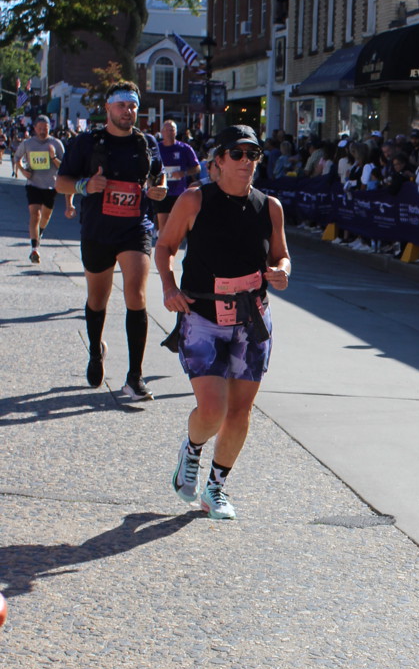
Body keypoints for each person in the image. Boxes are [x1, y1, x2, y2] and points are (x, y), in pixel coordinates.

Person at [155, 125, 290, 520]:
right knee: (212, 410)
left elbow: (282, 255)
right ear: (218, 161)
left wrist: (282, 271)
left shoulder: (269, 207)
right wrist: (168, 287)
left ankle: (215, 487)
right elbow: (165, 246)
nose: (246, 161)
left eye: (253, 155)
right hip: (203, 316)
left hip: (252, 319)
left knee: (240, 411)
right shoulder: (195, 200)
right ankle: (192, 449)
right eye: (237, 154)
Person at [56, 81, 167, 399]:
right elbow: (61, 183)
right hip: (98, 229)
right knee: (97, 298)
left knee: (136, 293)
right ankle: (95, 351)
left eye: (132, 106)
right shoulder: (88, 143)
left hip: (135, 227)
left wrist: (159, 189)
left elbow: (157, 175)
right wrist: (85, 186)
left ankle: (135, 377)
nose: (127, 111)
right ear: (108, 108)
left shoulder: (146, 142)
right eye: (121, 105)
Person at [14, 114, 64, 264]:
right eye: (40, 128)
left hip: (51, 185)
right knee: (35, 215)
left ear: (50, 128)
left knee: (46, 216)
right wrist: (23, 171)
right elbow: (17, 158)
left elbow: (64, 166)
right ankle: (34, 248)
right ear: (35, 128)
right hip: (33, 184)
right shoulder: (28, 143)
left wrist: (53, 157)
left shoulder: (56, 143)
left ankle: (39, 233)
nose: (42, 131)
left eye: (45, 128)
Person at [156, 120, 200, 234]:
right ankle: (163, 243)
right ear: (162, 132)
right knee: (163, 227)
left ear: (176, 132)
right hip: (162, 192)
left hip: (179, 193)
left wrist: (183, 173)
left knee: (178, 226)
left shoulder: (184, 148)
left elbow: (197, 168)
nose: (169, 133)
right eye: (166, 130)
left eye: (172, 130)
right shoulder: (157, 149)